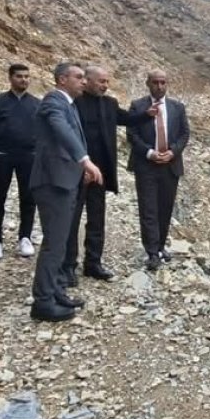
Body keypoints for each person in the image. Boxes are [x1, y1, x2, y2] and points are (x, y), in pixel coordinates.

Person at [64, 65, 156, 286]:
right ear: (87, 80)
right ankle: (68, 266)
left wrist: (146, 115)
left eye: (107, 82)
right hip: (77, 171)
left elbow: (126, 119)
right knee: (71, 220)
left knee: (97, 219)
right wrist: (80, 167)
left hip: (101, 173)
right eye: (101, 81)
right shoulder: (74, 103)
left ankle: (93, 263)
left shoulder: (110, 103)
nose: (105, 86)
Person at [28, 63, 103, 322]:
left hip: (65, 181)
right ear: (62, 80)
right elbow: (62, 131)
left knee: (60, 243)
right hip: (52, 183)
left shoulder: (68, 103)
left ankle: (56, 289)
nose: (84, 82)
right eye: (79, 77)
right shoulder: (53, 101)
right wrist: (84, 160)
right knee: (54, 243)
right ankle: (43, 302)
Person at [126, 69, 190, 272]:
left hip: (170, 165)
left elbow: (184, 133)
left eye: (163, 82)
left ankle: (161, 246)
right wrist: (149, 153)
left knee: (165, 208)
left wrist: (173, 151)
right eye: (155, 82)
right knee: (148, 210)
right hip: (146, 166)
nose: (159, 86)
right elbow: (132, 134)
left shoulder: (177, 107)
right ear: (148, 83)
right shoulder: (138, 106)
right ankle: (152, 252)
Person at [0, 64, 41, 260]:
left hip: (29, 156)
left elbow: (42, 133)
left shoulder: (37, 104)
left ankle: (25, 237)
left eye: (27, 77)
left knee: (28, 198)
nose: (24, 80)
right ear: (10, 78)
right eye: (19, 76)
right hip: (1, 155)